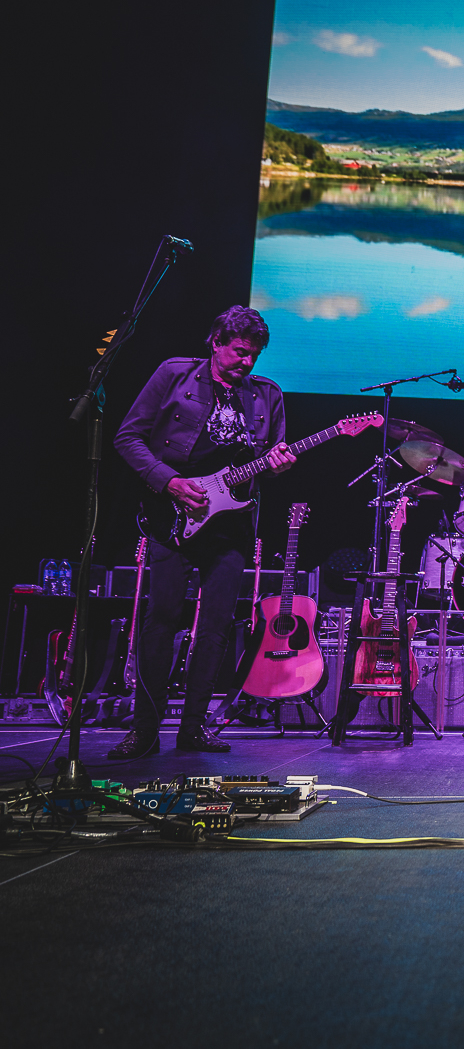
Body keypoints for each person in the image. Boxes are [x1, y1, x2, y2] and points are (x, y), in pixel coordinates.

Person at [109, 306, 295, 758]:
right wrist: (169, 482)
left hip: (230, 526)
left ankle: (194, 727)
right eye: (238, 352)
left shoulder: (267, 395)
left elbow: (268, 461)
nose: (246, 363)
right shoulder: (174, 376)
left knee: (215, 628)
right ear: (215, 341)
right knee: (161, 621)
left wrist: (278, 465)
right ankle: (144, 730)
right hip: (172, 515)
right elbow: (127, 438)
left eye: (254, 356)